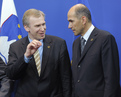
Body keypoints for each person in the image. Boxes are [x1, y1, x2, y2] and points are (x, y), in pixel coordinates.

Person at [5, 9, 72, 97]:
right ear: (26, 27)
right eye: (37, 26)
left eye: (43, 24)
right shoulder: (15, 47)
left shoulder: (59, 44)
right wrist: (26, 57)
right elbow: (11, 75)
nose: (42, 29)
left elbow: (66, 78)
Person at [67, 4, 120, 97]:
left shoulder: (105, 39)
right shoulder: (76, 44)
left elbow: (111, 80)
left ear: (83, 20)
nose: (69, 26)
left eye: (71, 21)